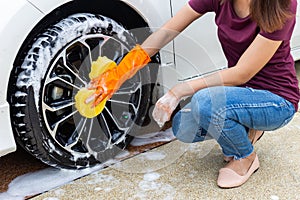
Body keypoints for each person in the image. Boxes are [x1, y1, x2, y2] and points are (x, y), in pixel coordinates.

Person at [88, 0, 300, 188]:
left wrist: (180, 89)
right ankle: (248, 129)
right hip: (241, 94)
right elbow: (165, 33)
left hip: (277, 100)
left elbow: (242, 72)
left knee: (205, 103)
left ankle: (245, 157)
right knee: (183, 126)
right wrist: (119, 73)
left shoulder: (282, 4)